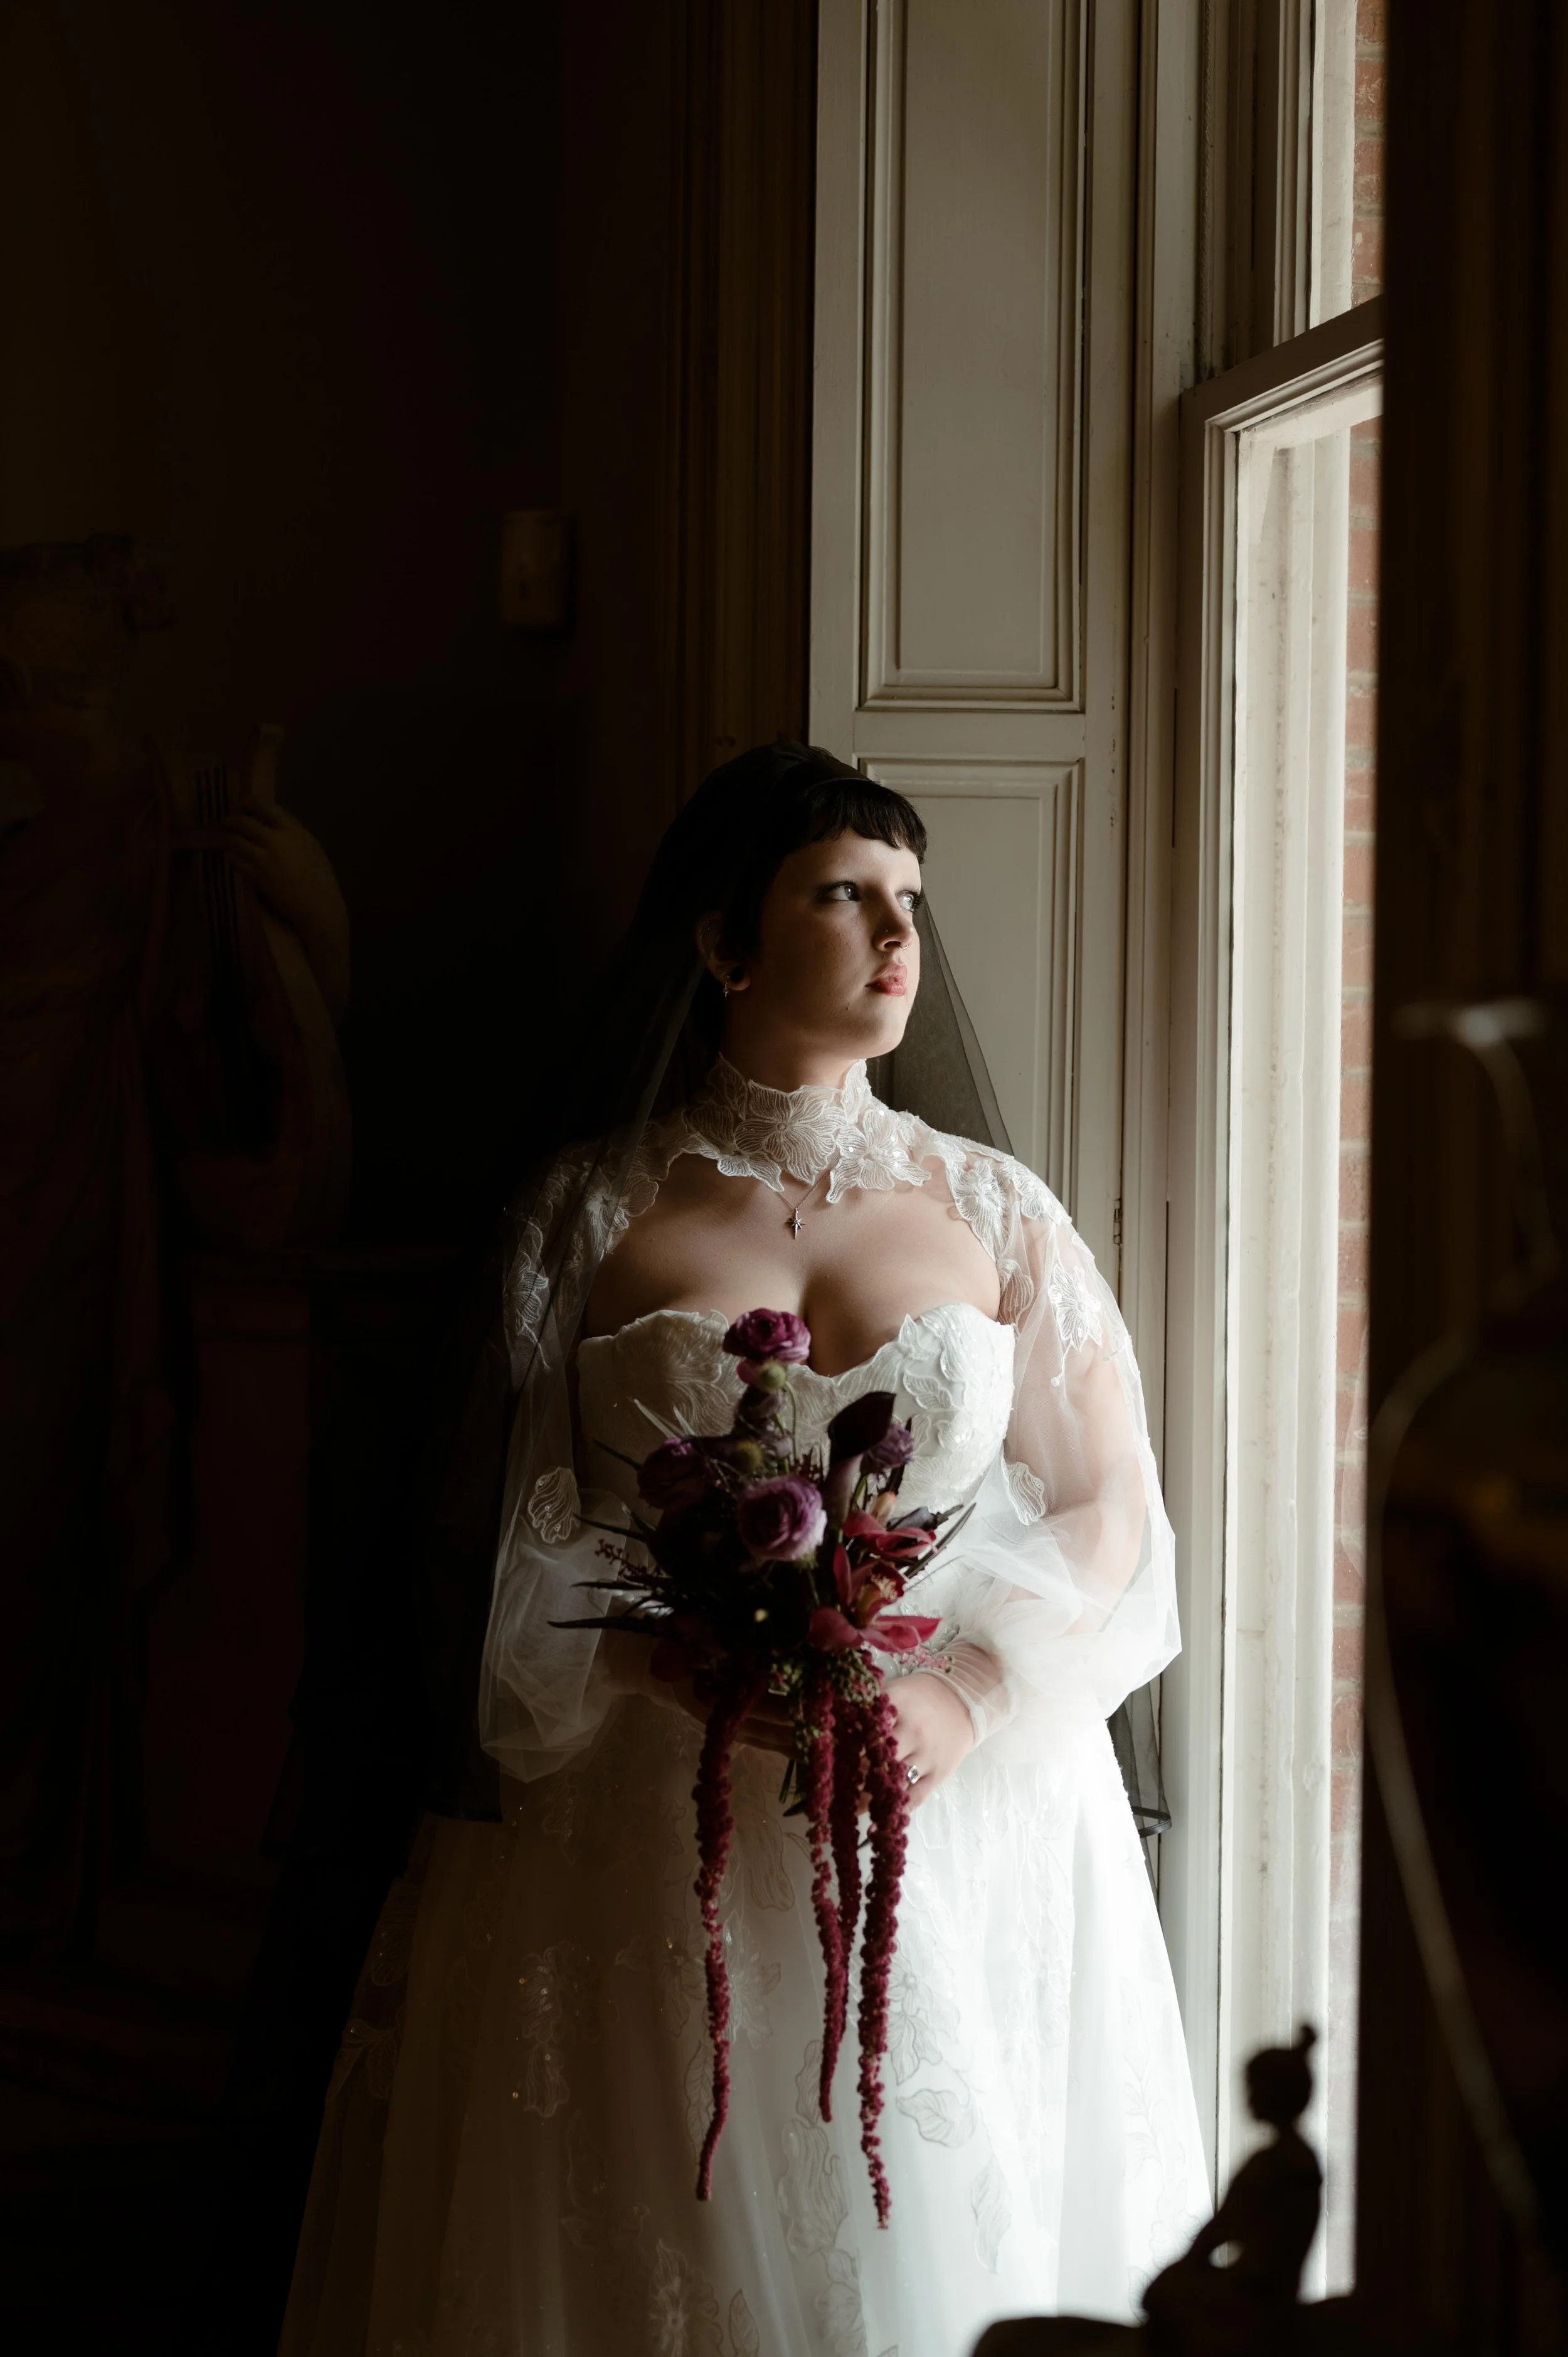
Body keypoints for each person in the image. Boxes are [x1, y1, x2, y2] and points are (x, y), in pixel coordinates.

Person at [279, 742, 1210, 2357]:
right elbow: (501, 1527)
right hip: (642, 1809)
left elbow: (1111, 1508)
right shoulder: (585, 1216)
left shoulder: (996, 1211)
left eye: (909, 896)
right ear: (722, 942)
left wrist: (965, 1697)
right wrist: (669, 1657)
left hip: (953, 1808)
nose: (898, 933)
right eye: (844, 893)